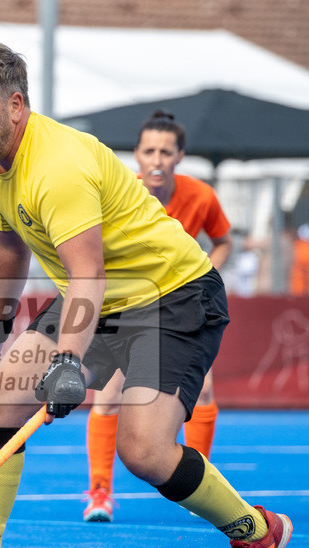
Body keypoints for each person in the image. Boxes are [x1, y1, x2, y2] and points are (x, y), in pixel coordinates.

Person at [0, 40, 290, 548]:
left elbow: (87, 270)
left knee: (144, 452)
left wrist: (68, 362)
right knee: (0, 399)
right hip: (96, 298)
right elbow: (7, 240)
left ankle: (253, 531)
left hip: (171, 298)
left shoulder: (56, 166)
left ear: (16, 105)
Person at [83, 110, 232, 523]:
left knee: (203, 392)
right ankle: (99, 492)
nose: (156, 159)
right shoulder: (122, 193)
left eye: (166, 151)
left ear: (179, 156)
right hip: (128, 307)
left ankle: (195, 480)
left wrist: (206, 268)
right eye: (149, 150)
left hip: (181, 311)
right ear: (136, 154)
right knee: (109, 394)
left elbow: (223, 241)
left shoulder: (201, 196)